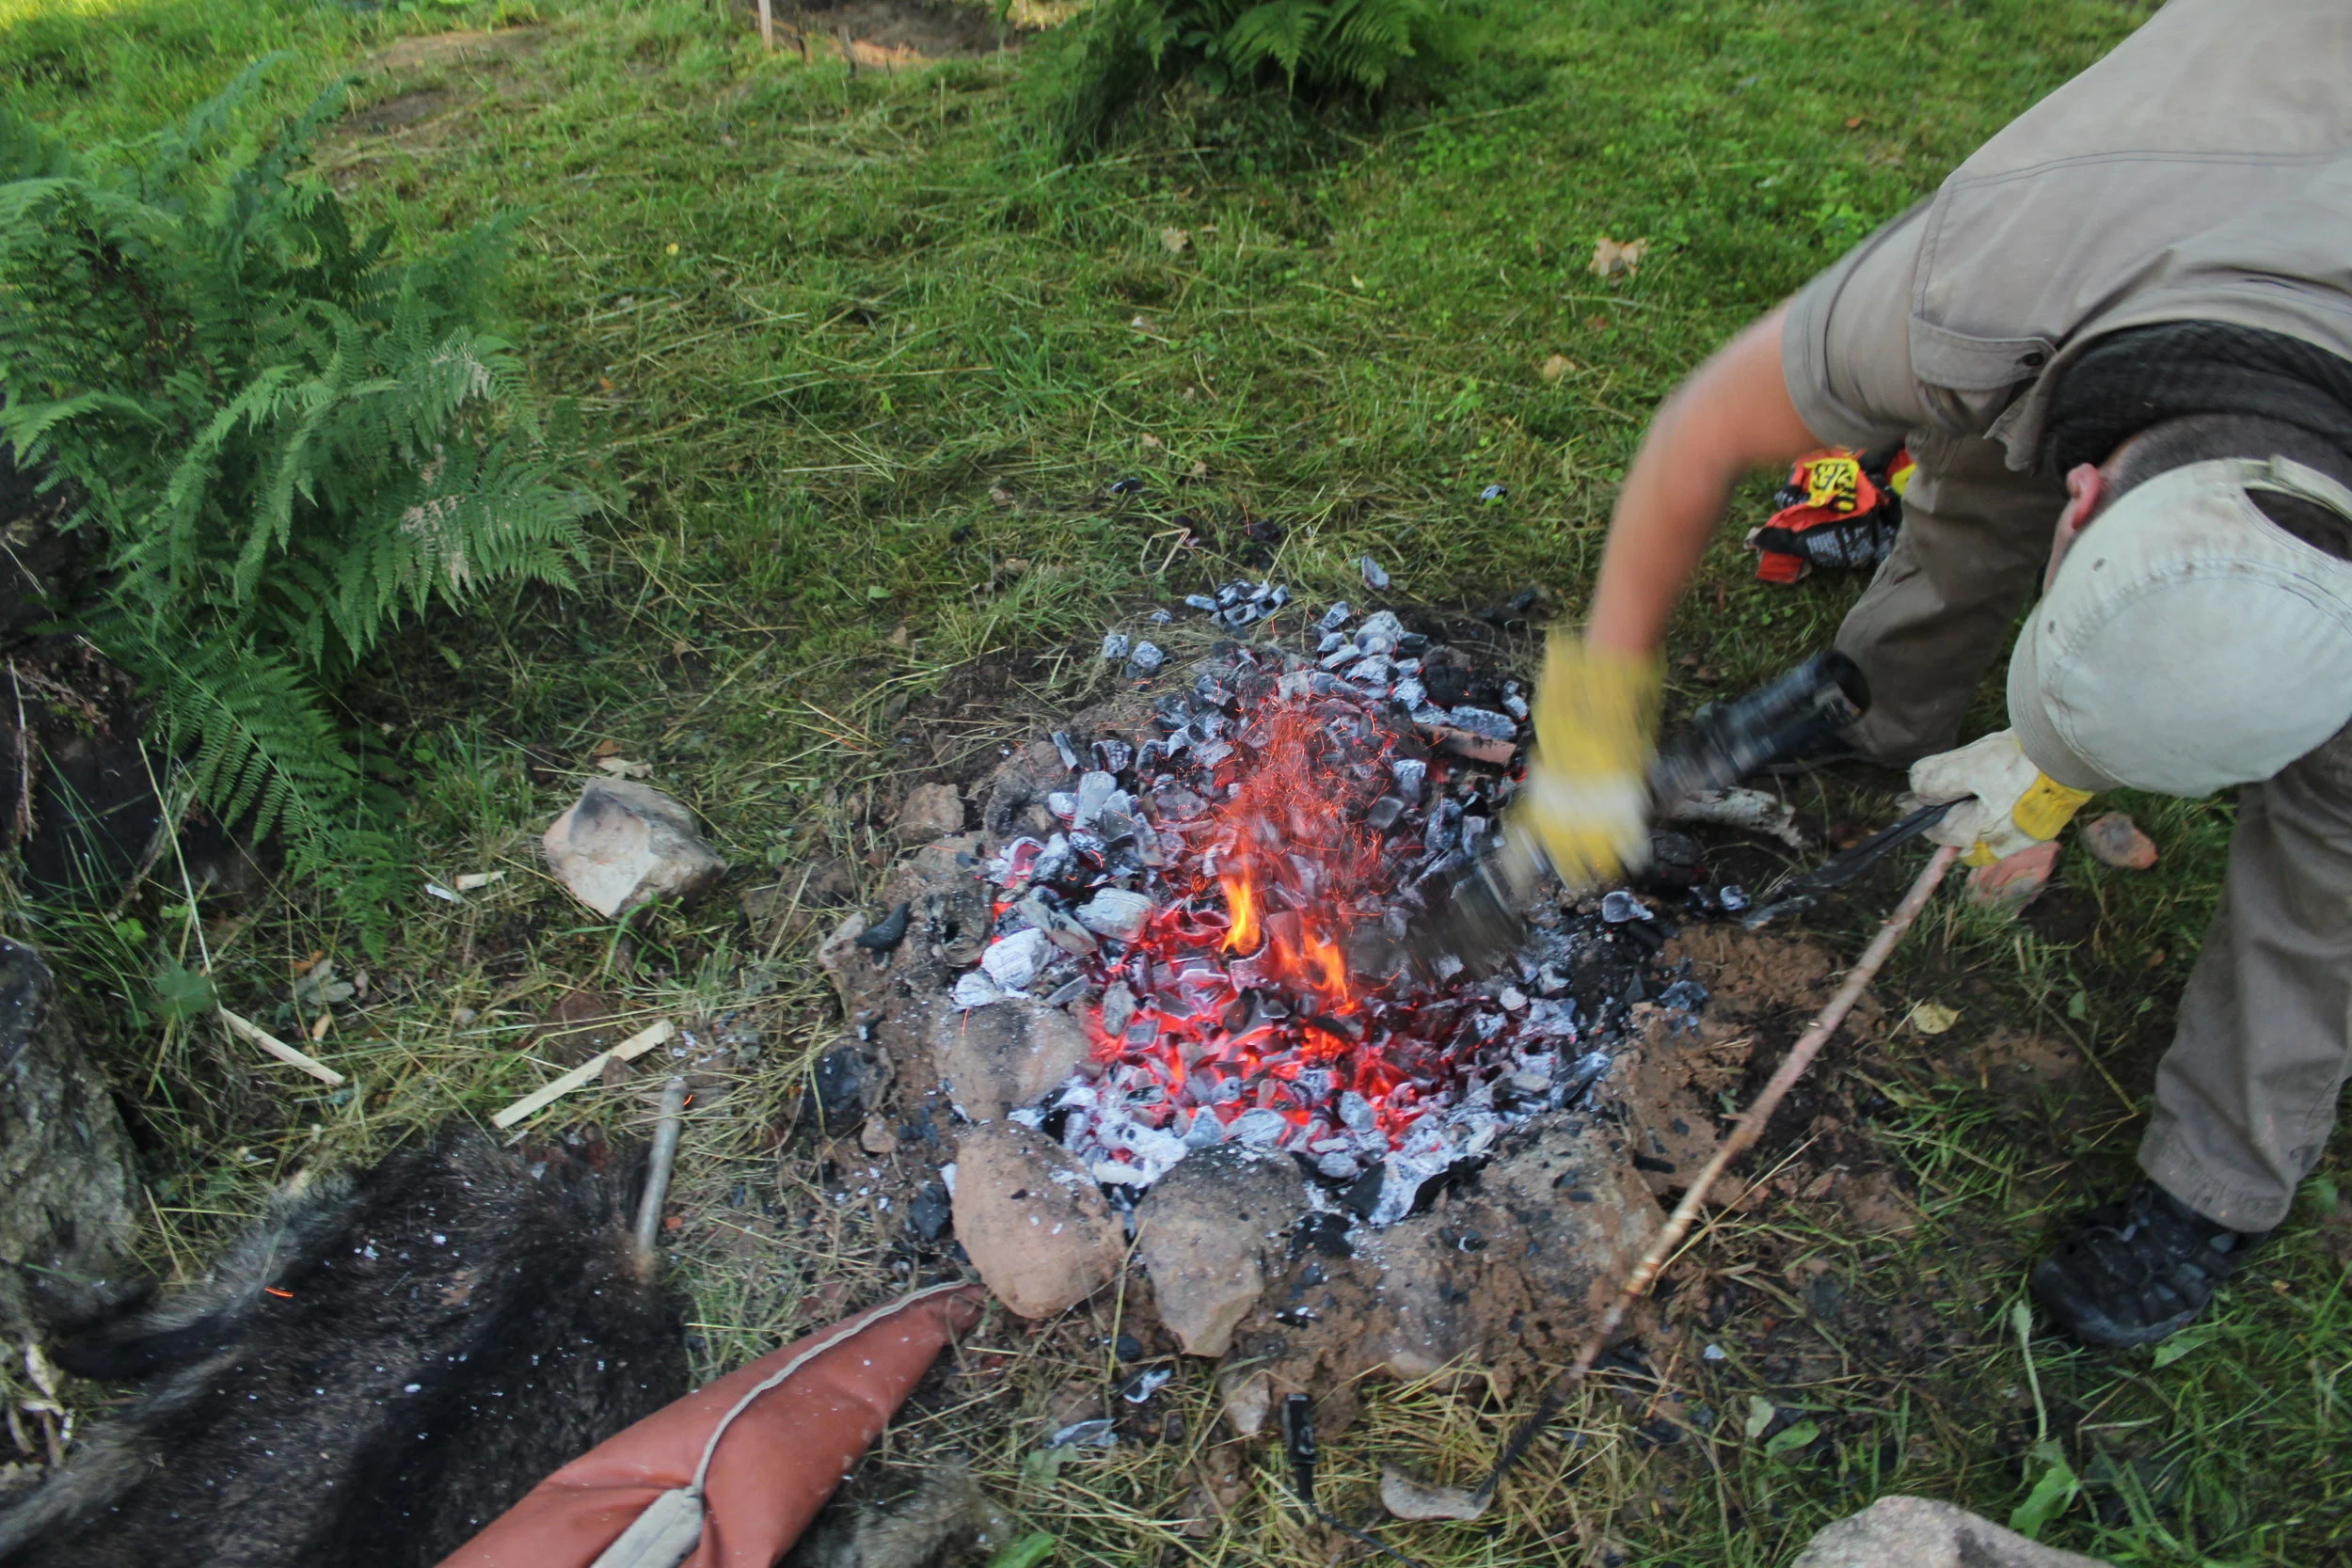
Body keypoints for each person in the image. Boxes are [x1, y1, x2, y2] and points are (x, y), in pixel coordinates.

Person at [1517, 0, 2352, 1349]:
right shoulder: (1986, 274)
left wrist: (2057, 777)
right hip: (2184, 168)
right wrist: (1589, 736)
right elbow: (1691, 436)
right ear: (2083, 495)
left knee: (2340, 840)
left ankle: (2221, 1177)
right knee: (1979, 441)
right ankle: (1881, 693)